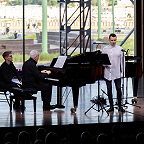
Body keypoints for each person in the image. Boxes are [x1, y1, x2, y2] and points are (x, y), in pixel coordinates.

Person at [102, 33, 125, 112]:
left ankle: (120, 106)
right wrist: (105, 64)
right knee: (109, 89)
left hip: (117, 72)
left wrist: (123, 73)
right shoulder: (105, 49)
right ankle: (111, 106)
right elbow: (102, 60)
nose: (113, 42)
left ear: (116, 40)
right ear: (109, 40)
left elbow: (122, 62)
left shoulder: (120, 49)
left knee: (118, 88)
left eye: (114, 40)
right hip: (107, 72)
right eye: (112, 40)